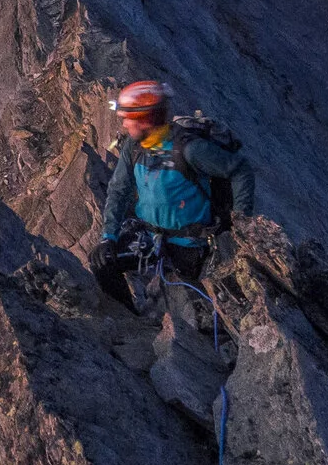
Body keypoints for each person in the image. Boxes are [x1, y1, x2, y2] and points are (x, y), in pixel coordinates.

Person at [89, 80, 255, 310]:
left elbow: (239, 169)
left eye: (129, 119)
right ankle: (131, 322)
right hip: (149, 236)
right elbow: (119, 190)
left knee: (199, 306)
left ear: (145, 120)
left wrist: (239, 222)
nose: (125, 124)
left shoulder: (189, 149)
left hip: (190, 243)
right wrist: (108, 237)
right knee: (102, 262)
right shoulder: (133, 147)